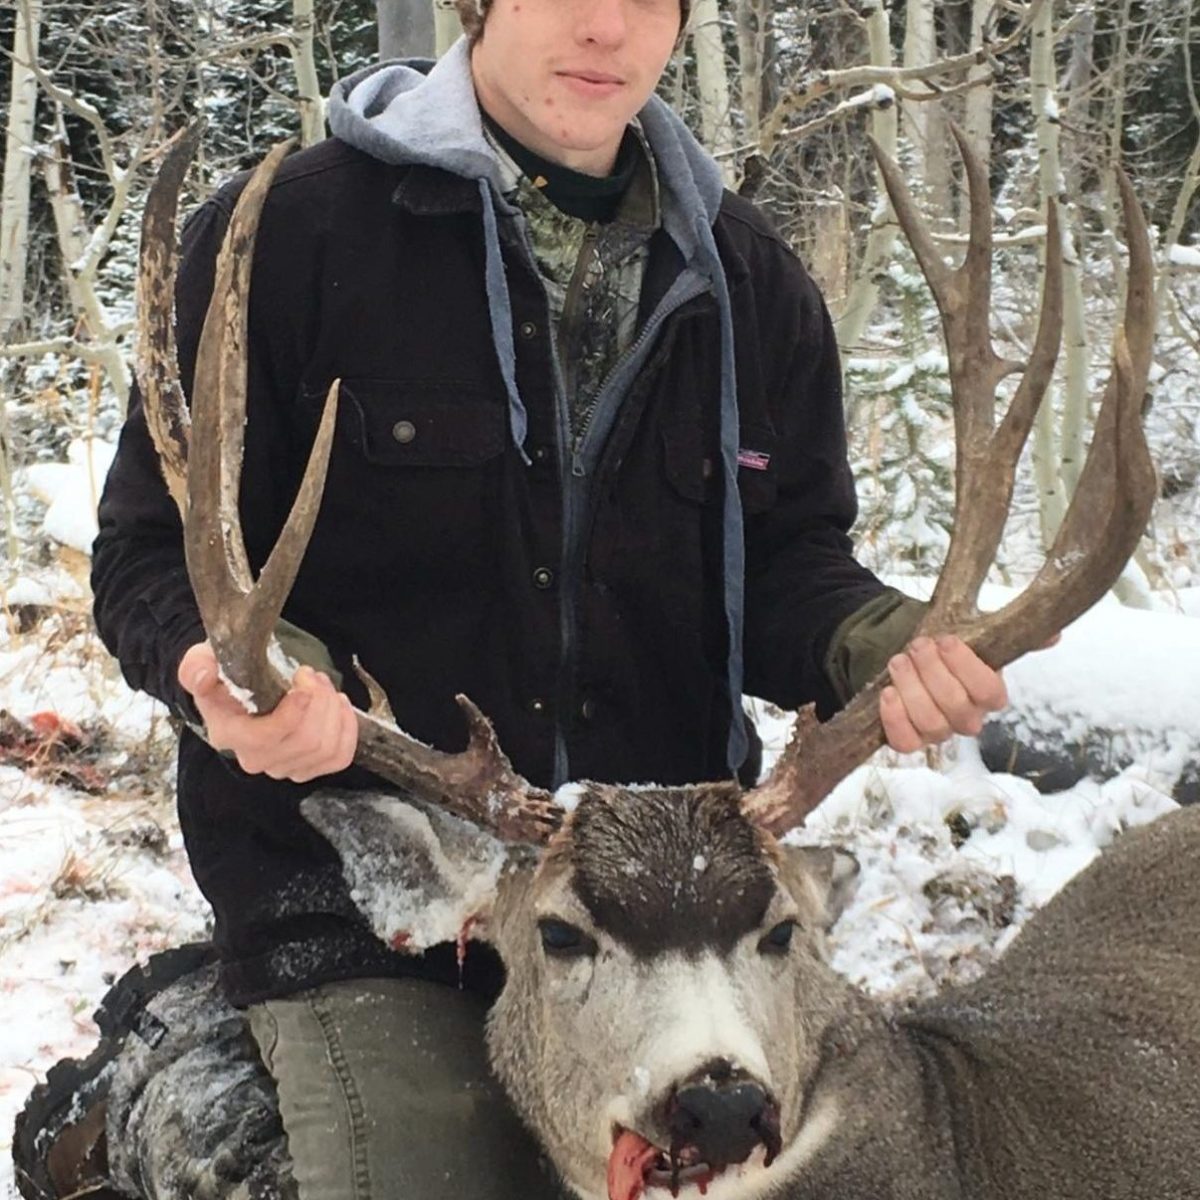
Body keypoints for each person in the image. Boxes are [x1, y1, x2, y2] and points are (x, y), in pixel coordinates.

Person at [86, 0, 1008, 1194]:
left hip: (680, 899)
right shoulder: (293, 239)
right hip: (373, 880)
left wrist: (879, 644)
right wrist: (245, 672)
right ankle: (179, 1063)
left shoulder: (750, 281)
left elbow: (786, 564)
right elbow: (149, 556)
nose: (603, 29)